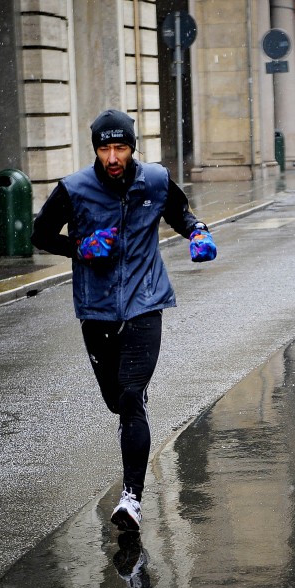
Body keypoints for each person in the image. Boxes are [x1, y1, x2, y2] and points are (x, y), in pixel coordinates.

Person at [31, 109, 216, 532]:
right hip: (95, 310)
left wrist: (199, 232)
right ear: (95, 149)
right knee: (117, 401)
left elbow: (180, 214)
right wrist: (81, 246)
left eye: (120, 147)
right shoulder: (74, 189)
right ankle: (133, 410)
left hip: (145, 302)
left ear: (133, 147)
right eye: (104, 148)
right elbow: (40, 234)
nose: (112, 156)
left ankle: (131, 498)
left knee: (131, 397)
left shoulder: (153, 180)